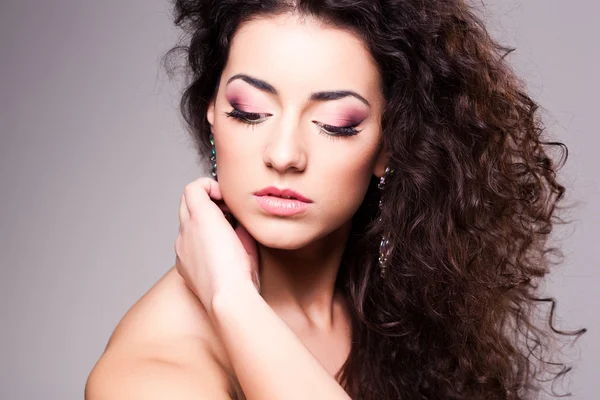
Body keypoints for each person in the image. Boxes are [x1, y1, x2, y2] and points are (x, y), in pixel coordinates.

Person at [85, 0, 586, 399]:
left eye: (335, 124)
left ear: (389, 147)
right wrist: (232, 301)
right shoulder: (148, 374)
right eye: (250, 111)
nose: (284, 154)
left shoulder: (398, 306)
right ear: (213, 115)